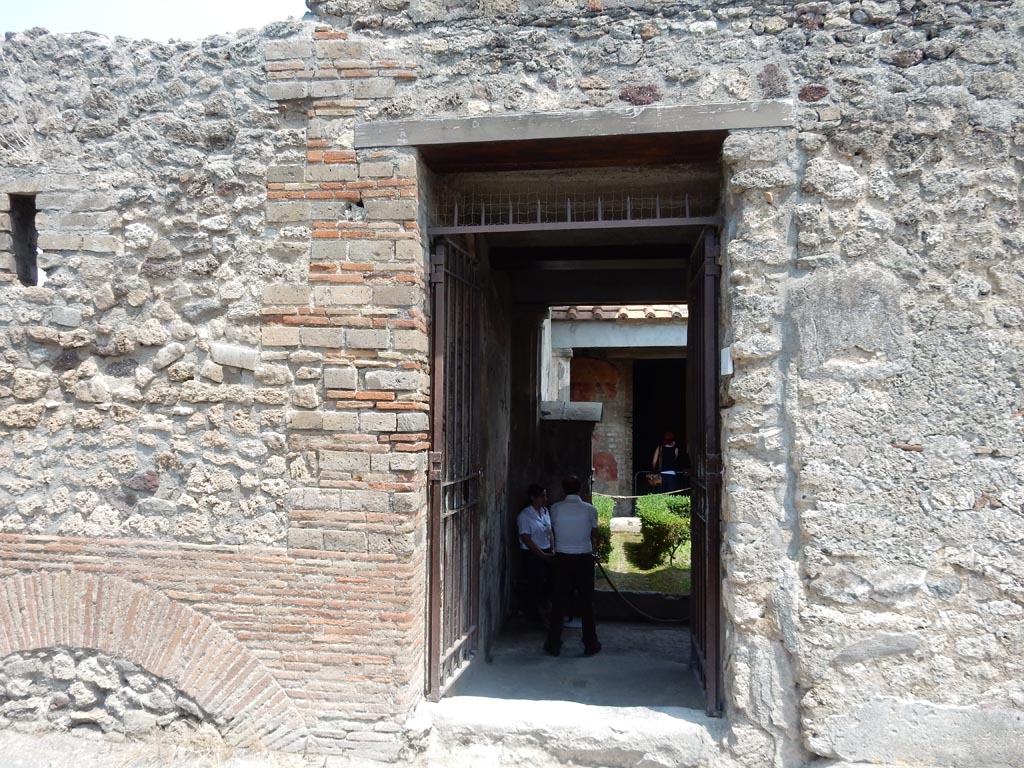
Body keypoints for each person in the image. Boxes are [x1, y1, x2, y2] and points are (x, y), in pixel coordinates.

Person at [544, 475, 601, 657]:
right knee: (587, 603)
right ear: (580, 488)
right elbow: (595, 534)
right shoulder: (590, 510)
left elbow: (552, 530)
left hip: (562, 558)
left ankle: (554, 643)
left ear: (563, 489)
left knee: (558, 603)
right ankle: (590, 643)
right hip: (583, 557)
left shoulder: (555, 509)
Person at [517, 484, 554, 624]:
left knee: (548, 583)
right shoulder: (525, 516)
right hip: (532, 554)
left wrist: (552, 548)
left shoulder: (545, 511)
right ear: (532, 498)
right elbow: (526, 539)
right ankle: (535, 616)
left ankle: (545, 612)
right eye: (541, 496)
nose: (544, 499)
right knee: (535, 584)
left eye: (545, 496)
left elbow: (550, 531)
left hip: (546, 551)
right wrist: (542, 555)